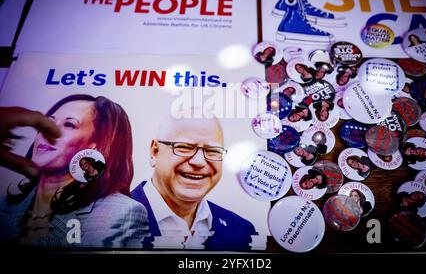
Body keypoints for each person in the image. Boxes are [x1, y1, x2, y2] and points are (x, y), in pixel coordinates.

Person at [0, 95, 149, 247]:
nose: (47, 132)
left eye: (69, 125)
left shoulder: (120, 212)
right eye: (48, 123)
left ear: (95, 145)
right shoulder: (3, 205)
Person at [131, 110, 258, 250]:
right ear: (155, 152)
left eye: (212, 150)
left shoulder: (241, 231)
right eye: (184, 147)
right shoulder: (110, 219)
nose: (199, 162)